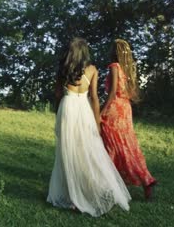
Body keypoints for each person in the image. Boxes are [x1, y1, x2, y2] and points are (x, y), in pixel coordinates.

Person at [47, 37, 131, 217]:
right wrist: (97, 122)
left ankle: (72, 194)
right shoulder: (92, 70)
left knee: (68, 151)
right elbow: (94, 97)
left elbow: (57, 94)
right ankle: (84, 191)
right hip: (83, 109)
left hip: (68, 107)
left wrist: (58, 113)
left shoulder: (63, 70)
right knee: (86, 148)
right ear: (85, 52)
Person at [100, 39, 158, 201]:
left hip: (114, 110)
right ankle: (145, 179)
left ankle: (107, 184)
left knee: (111, 146)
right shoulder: (127, 70)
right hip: (125, 109)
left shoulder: (113, 67)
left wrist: (100, 112)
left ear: (115, 52)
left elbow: (111, 93)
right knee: (127, 146)